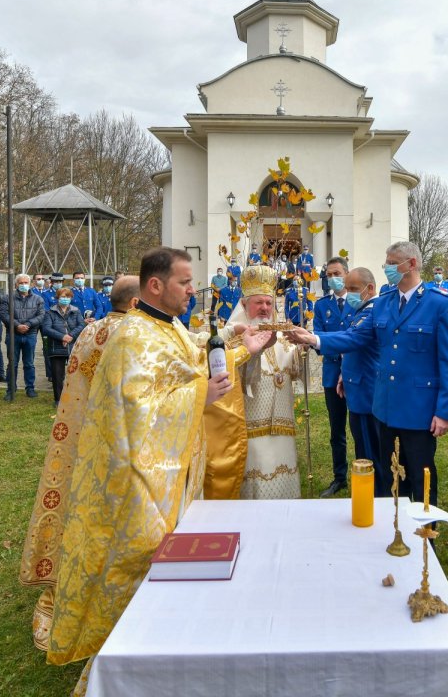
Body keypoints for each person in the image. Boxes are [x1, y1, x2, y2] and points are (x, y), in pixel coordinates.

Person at [46, 248, 270, 683]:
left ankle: (165, 651)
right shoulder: (133, 337)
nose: (192, 290)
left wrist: (242, 343)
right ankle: (127, 669)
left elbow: (196, 355)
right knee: (141, 563)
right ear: (156, 285)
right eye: (185, 282)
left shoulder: (165, 326)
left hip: (165, 471)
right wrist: (199, 396)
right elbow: (136, 414)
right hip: (137, 479)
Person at [289, 241, 448, 506]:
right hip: (385, 407)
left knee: (421, 474)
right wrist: (314, 338)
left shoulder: (439, 304)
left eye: (392, 263)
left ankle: (426, 537)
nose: (387, 268)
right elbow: (354, 337)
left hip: (419, 409)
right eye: (386, 263)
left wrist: (445, 411)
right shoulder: (384, 304)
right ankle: (395, 528)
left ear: (412, 264)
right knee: (393, 472)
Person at [21, 276, 140, 653]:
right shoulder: (133, 336)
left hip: (84, 439)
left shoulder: (92, 330)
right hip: (122, 442)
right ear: (137, 304)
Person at [221, 265, 305, 499]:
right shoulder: (233, 338)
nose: (265, 308)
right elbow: (238, 380)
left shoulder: (281, 334)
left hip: (282, 425)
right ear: (245, 304)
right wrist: (254, 353)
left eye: (269, 303)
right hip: (250, 428)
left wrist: (302, 349)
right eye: (259, 302)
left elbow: (295, 371)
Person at [338, 267, 385, 493]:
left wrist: (312, 338)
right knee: (362, 448)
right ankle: (368, 495)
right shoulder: (363, 308)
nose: (349, 294)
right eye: (347, 289)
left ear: (370, 288)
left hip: (368, 394)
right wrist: (343, 375)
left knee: (371, 453)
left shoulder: (373, 310)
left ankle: (375, 498)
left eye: (354, 289)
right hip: (357, 390)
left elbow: (351, 339)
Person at [314, 257, 353, 497]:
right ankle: (340, 477)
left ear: (347, 274)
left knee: (361, 429)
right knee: (336, 431)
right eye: (329, 274)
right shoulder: (322, 305)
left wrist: (334, 343)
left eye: (337, 273)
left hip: (356, 375)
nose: (333, 278)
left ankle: (365, 471)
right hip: (331, 375)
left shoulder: (360, 303)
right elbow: (318, 343)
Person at [0, 274, 46, 398]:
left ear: (30, 284)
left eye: (26, 282)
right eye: (21, 283)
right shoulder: (7, 298)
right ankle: (10, 390)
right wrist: (17, 325)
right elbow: (3, 314)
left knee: (29, 363)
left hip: (30, 334)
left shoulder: (38, 299)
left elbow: (41, 315)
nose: (23, 285)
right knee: (12, 363)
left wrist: (29, 324)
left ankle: (30, 388)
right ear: (16, 284)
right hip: (13, 334)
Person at [42, 287, 86, 406]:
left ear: (71, 298)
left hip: (73, 346)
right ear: (57, 298)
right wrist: (62, 337)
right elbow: (46, 328)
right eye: (62, 296)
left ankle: (75, 397)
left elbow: (81, 325)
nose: (65, 299)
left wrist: (70, 336)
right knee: (57, 375)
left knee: (75, 374)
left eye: (67, 297)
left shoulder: (76, 311)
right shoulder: (50, 312)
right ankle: (58, 399)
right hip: (56, 347)